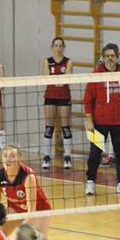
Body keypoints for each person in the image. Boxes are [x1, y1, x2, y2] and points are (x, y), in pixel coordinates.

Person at [83, 43, 120, 196]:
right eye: (107, 56)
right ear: (103, 58)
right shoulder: (96, 75)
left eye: (112, 56)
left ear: (117, 57)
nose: (110, 59)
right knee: (95, 153)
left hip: (119, 121)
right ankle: (90, 182)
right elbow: (87, 99)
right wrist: (89, 119)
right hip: (99, 122)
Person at [41, 38, 73, 170]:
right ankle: (46, 157)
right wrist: (58, 79)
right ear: (52, 47)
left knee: (66, 127)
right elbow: (47, 78)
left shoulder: (68, 61)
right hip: (50, 96)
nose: (58, 48)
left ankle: (67, 157)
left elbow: (67, 78)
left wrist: (57, 80)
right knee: (49, 127)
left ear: (63, 47)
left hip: (64, 96)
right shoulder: (47, 61)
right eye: (56, 45)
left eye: (60, 46)